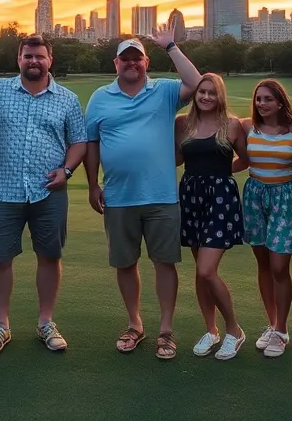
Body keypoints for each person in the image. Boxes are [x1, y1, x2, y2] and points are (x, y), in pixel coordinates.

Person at [0, 35, 87, 356]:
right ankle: (1, 324)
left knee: (50, 257)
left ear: (50, 60)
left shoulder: (67, 99)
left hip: (49, 192)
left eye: (39, 56)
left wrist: (67, 170)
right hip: (5, 191)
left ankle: (46, 322)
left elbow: (79, 141)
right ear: (19, 59)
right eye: (28, 56)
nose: (34, 61)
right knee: (0, 259)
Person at [82, 35, 203, 362]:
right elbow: (92, 144)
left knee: (165, 262)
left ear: (146, 62)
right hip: (119, 196)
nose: (132, 63)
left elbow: (196, 83)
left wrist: (171, 47)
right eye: (126, 58)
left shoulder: (163, 91)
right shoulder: (100, 97)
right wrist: (92, 185)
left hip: (161, 195)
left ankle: (166, 330)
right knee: (125, 262)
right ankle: (135, 324)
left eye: (138, 58)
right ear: (116, 63)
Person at [176, 73, 246, 361]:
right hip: (191, 196)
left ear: (220, 96)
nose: (205, 97)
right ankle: (211, 330)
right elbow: (177, 159)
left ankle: (234, 330)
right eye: (201, 91)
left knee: (207, 270)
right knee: (199, 271)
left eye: (211, 92)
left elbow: (246, 158)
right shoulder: (182, 123)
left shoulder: (232, 124)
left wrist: (222, 175)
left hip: (220, 199)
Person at [241, 79, 292, 359]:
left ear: (280, 102)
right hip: (254, 196)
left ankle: (282, 329)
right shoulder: (247, 127)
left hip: (284, 198)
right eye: (258, 99)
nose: (262, 104)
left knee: (279, 265)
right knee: (263, 263)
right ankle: (273, 324)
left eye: (268, 99)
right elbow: (242, 159)